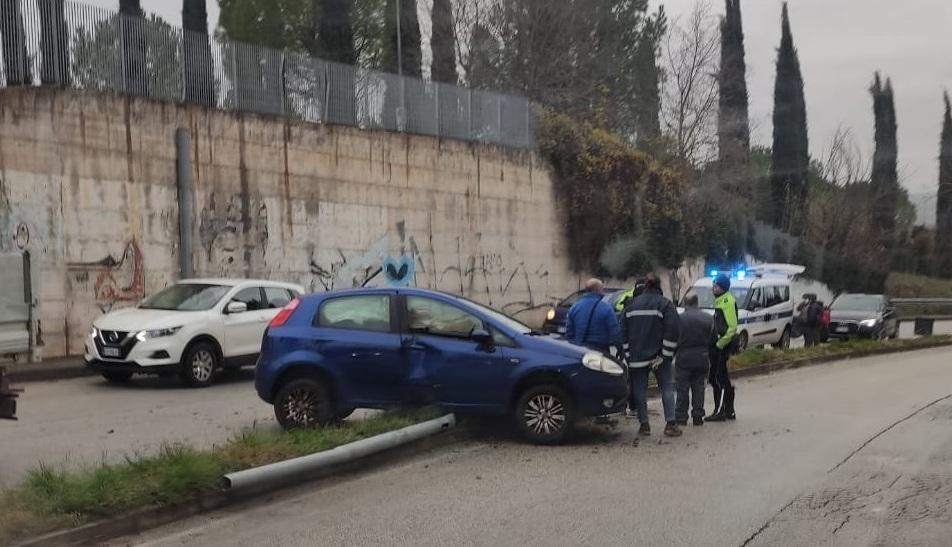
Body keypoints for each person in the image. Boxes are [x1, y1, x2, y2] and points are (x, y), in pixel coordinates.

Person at [622, 273, 682, 437]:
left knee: (640, 391)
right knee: (666, 388)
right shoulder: (665, 304)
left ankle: (644, 425)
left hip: (636, 358)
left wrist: (628, 355)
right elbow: (673, 331)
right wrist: (665, 354)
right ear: (659, 287)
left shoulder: (631, 305)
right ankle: (670, 424)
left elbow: (623, 333)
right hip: (659, 357)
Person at [675, 294, 714, 427]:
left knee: (682, 388)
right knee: (699, 387)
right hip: (702, 356)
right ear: (697, 302)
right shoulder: (708, 318)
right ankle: (698, 416)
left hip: (684, 356)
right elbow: (713, 339)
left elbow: (674, 338)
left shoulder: (679, 319)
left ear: (686, 303)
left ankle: (681, 417)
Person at [708, 274, 738, 422]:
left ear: (724, 288)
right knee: (718, 378)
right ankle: (727, 411)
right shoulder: (721, 301)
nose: (714, 287)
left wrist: (719, 344)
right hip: (719, 347)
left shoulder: (727, 301)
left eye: (717, 285)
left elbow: (732, 327)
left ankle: (723, 411)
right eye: (714, 285)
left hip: (722, 347)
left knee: (719, 378)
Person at [564, 278, 621, 355]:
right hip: (600, 350)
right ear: (598, 289)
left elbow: (569, 333)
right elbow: (615, 332)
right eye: (602, 288)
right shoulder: (606, 308)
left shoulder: (575, 307)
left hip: (580, 350)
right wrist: (620, 349)